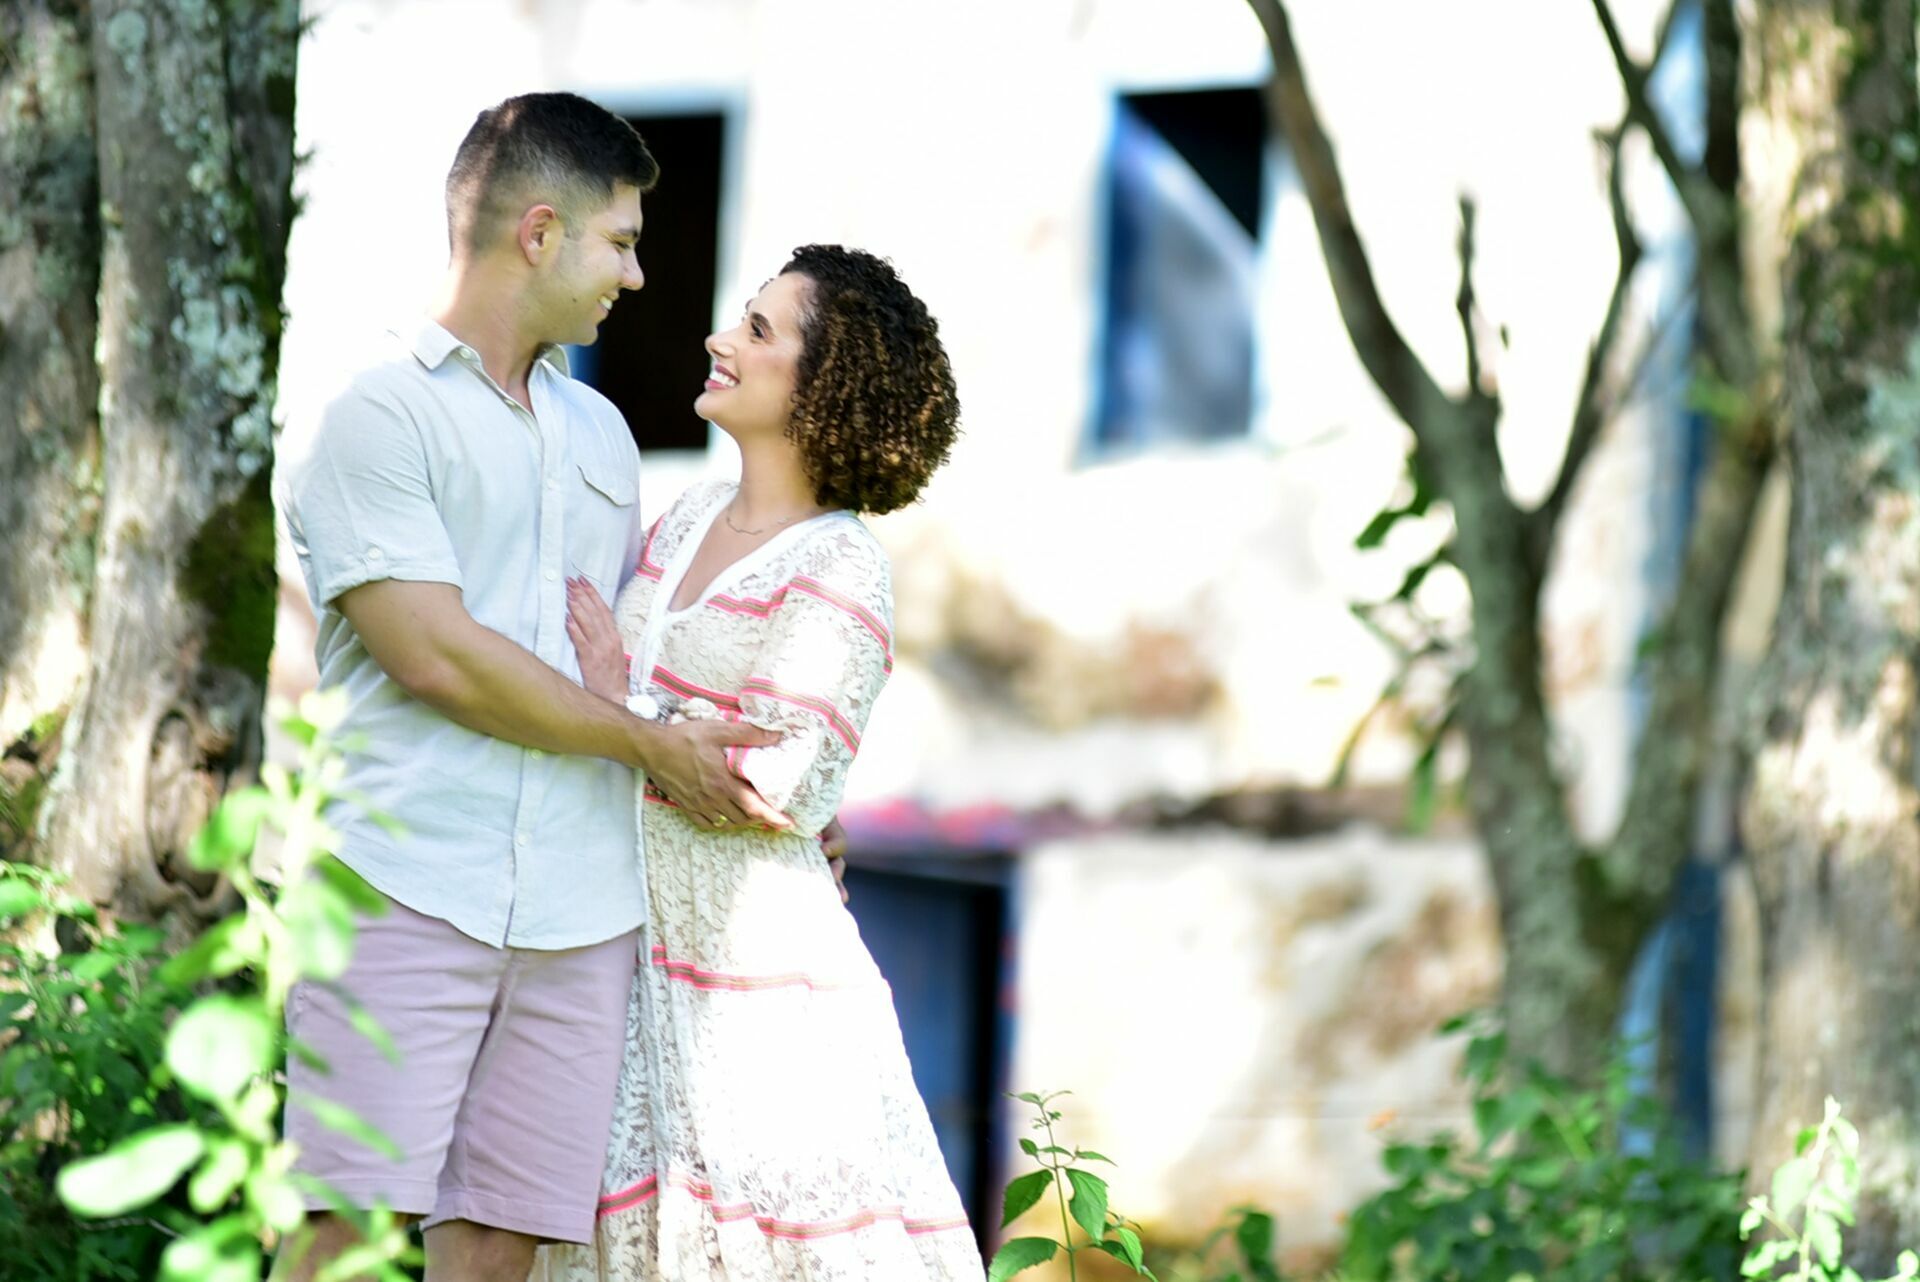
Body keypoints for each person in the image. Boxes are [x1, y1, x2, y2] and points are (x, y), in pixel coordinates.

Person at [275, 93, 824, 1282]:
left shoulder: (603, 436)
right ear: (539, 232)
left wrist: (777, 833)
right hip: (403, 879)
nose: (636, 277)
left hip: (582, 910)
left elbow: (631, 658)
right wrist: (645, 744)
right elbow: (436, 654)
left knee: (503, 1247)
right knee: (345, 1234)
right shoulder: (377, 409)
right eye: (621, 242)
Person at [534, 245, 984, 1281]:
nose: (718, 339)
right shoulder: (683, 517)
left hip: (751, 991)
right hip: (627, 951)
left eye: (759, 331)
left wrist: (620, 705)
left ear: (819, 385)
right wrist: (643, 718)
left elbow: (776, 780)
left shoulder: (842, 562)